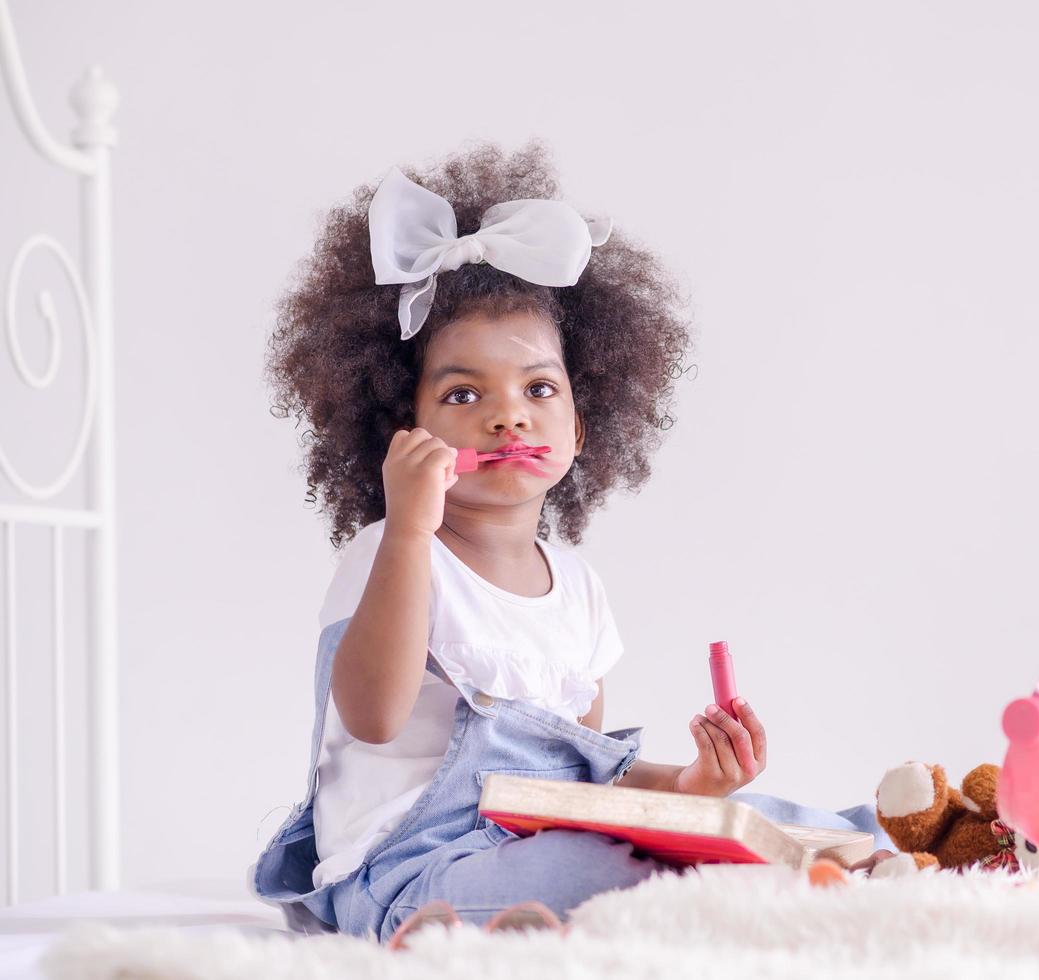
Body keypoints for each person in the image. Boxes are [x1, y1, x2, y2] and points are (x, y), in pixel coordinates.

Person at [250, 143, 892, 941]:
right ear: (404, 432)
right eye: (462, 392)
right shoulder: (393, 550)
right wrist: (409, 525)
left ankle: (888, 848)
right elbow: (374, 717)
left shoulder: (578, 587)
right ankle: (484, 927)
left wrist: (693, 784)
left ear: (580, 428)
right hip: (410, 865)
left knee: (763, 820)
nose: (507, 415)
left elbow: (581, 778)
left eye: (538, 389)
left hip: (534, 837)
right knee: (603, 872)